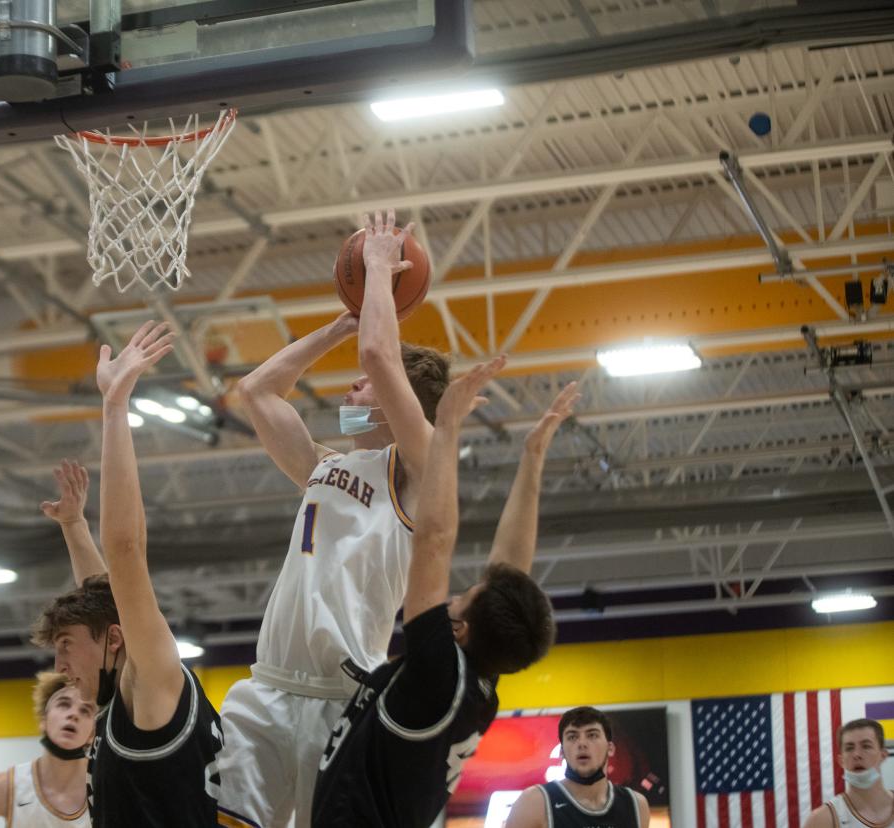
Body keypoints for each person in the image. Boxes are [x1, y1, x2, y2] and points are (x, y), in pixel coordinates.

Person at [219, 208, 502, 827]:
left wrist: (378, 267)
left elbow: (378, 354)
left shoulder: (422, 466)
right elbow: (257, 392)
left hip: (343, 698)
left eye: (364, 388)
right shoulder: (325, 464)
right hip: (266, 687)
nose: (350, 389)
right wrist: (337, 328)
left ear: (405, 403)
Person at [311, 366, 573, 827]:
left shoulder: (438, 674)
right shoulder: (476, 685)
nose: (452, 594)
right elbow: (510, 569)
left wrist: (446, 429)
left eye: (462, 596)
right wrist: (532, 456)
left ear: (460, 627)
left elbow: (432, 540)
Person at [32, 322, 222, 827]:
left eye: (67, 645)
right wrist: (73, 526)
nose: (60, 663)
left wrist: (115, 409)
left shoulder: (154, 683)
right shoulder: (125, 694)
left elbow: (125, 553)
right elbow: (105, 596)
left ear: (115, 641)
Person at [0, 672, 96, 827]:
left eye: (85, 710)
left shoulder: (106, 788)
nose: (73, 714)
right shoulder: (6, 788)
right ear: (43, 720)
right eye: (64, 704)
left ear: (93, 733)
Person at [505, 706, 650, 828]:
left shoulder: (636, 804)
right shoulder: (534, 802)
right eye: (572, 737)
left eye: (592, 735)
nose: (582, 744)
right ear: (561, 752)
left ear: (610, 748)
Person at [803, 718, 892, 828]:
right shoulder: (821, 820)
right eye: (849, 748)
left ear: (883, 755)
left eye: (866, 746)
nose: (857, 754)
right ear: (841, 761)